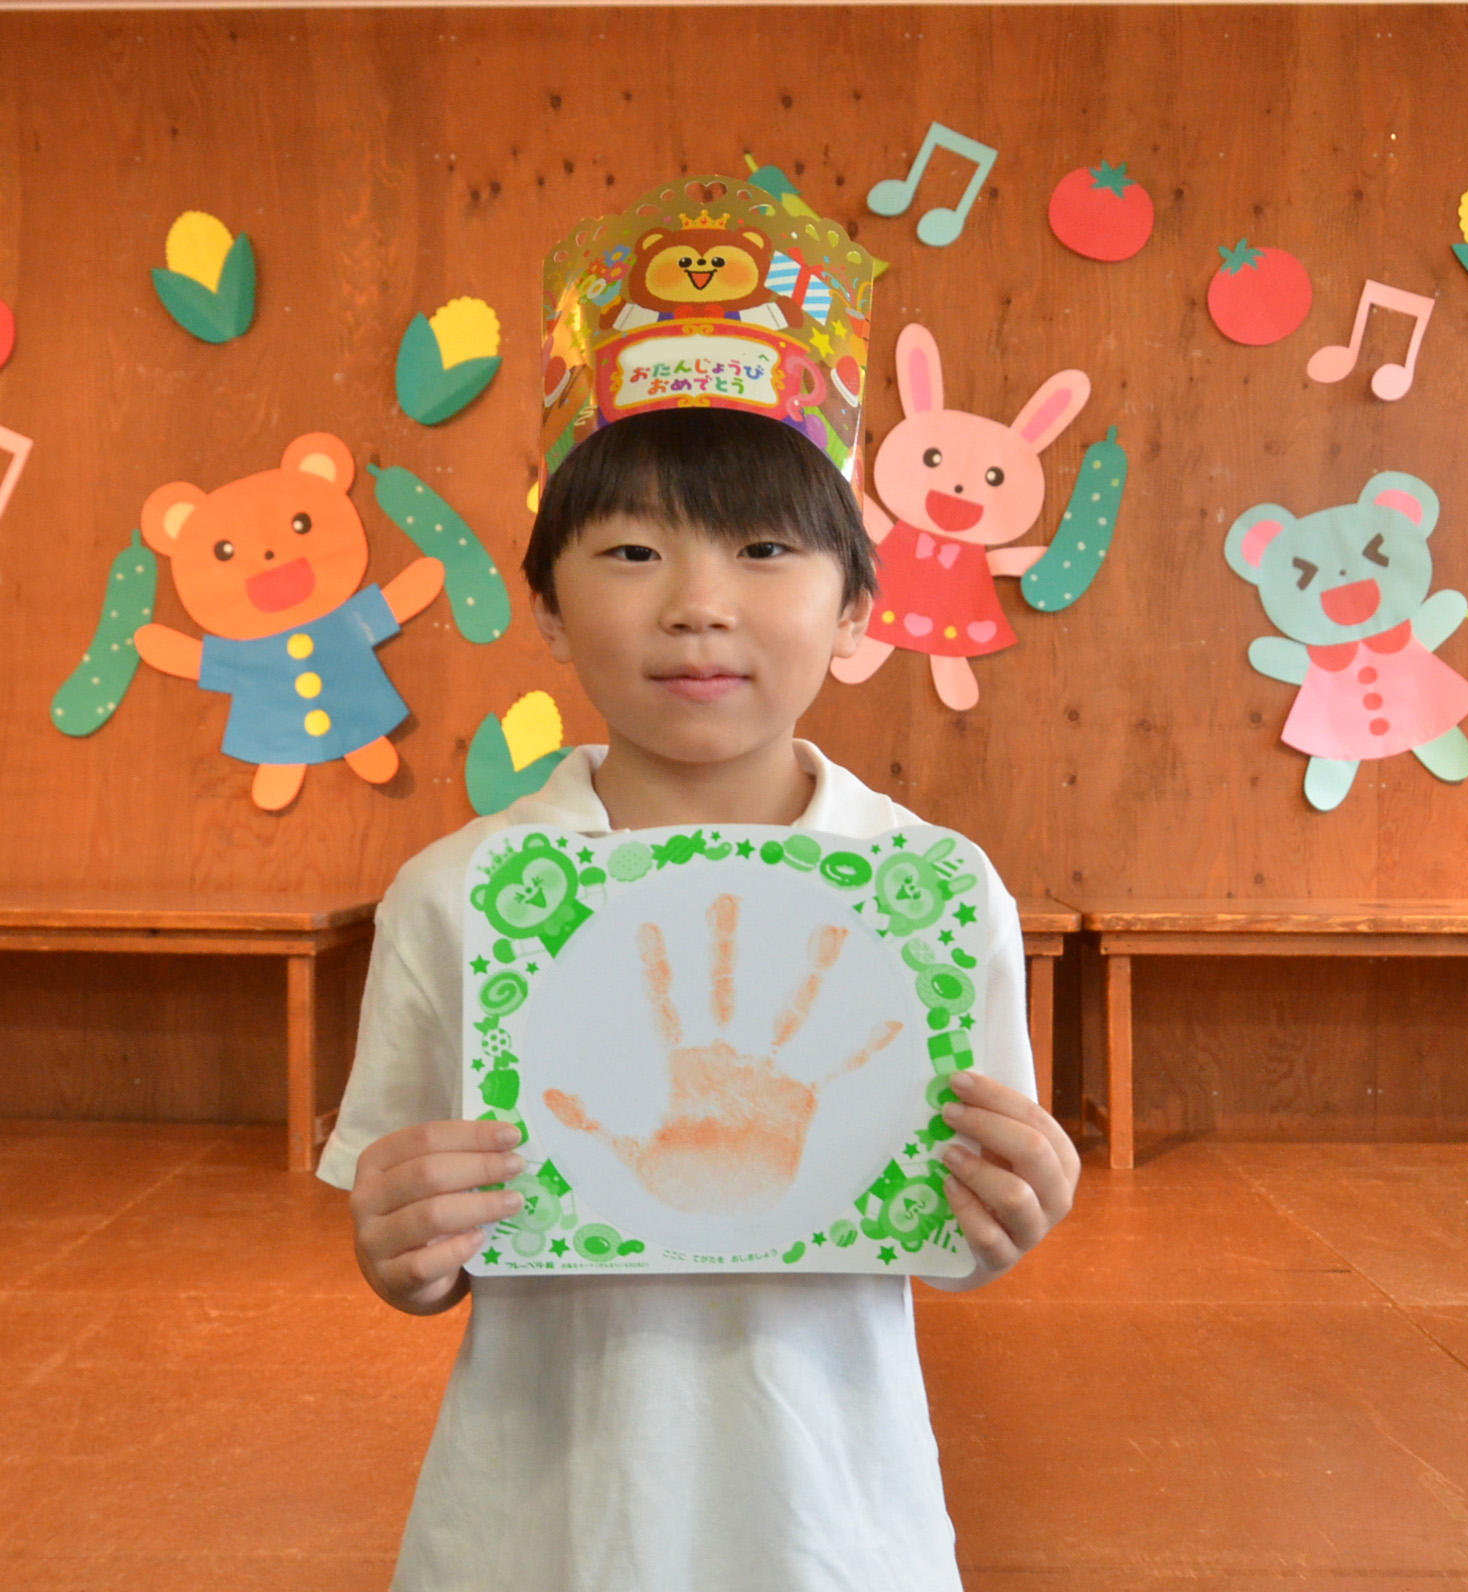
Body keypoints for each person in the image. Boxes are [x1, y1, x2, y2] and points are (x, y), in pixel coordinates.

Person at [316, 401, 1081, 1591]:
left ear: (855, 611)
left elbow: (947, 1235)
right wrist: (404, 1255)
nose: (698, 603)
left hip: (833, 1522)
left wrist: (1009, 1213)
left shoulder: (929, 894)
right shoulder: (460, 895)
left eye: (763, 549)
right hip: (540, 1524)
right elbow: (427, 1240)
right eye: (633, 552)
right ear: (547, 610)